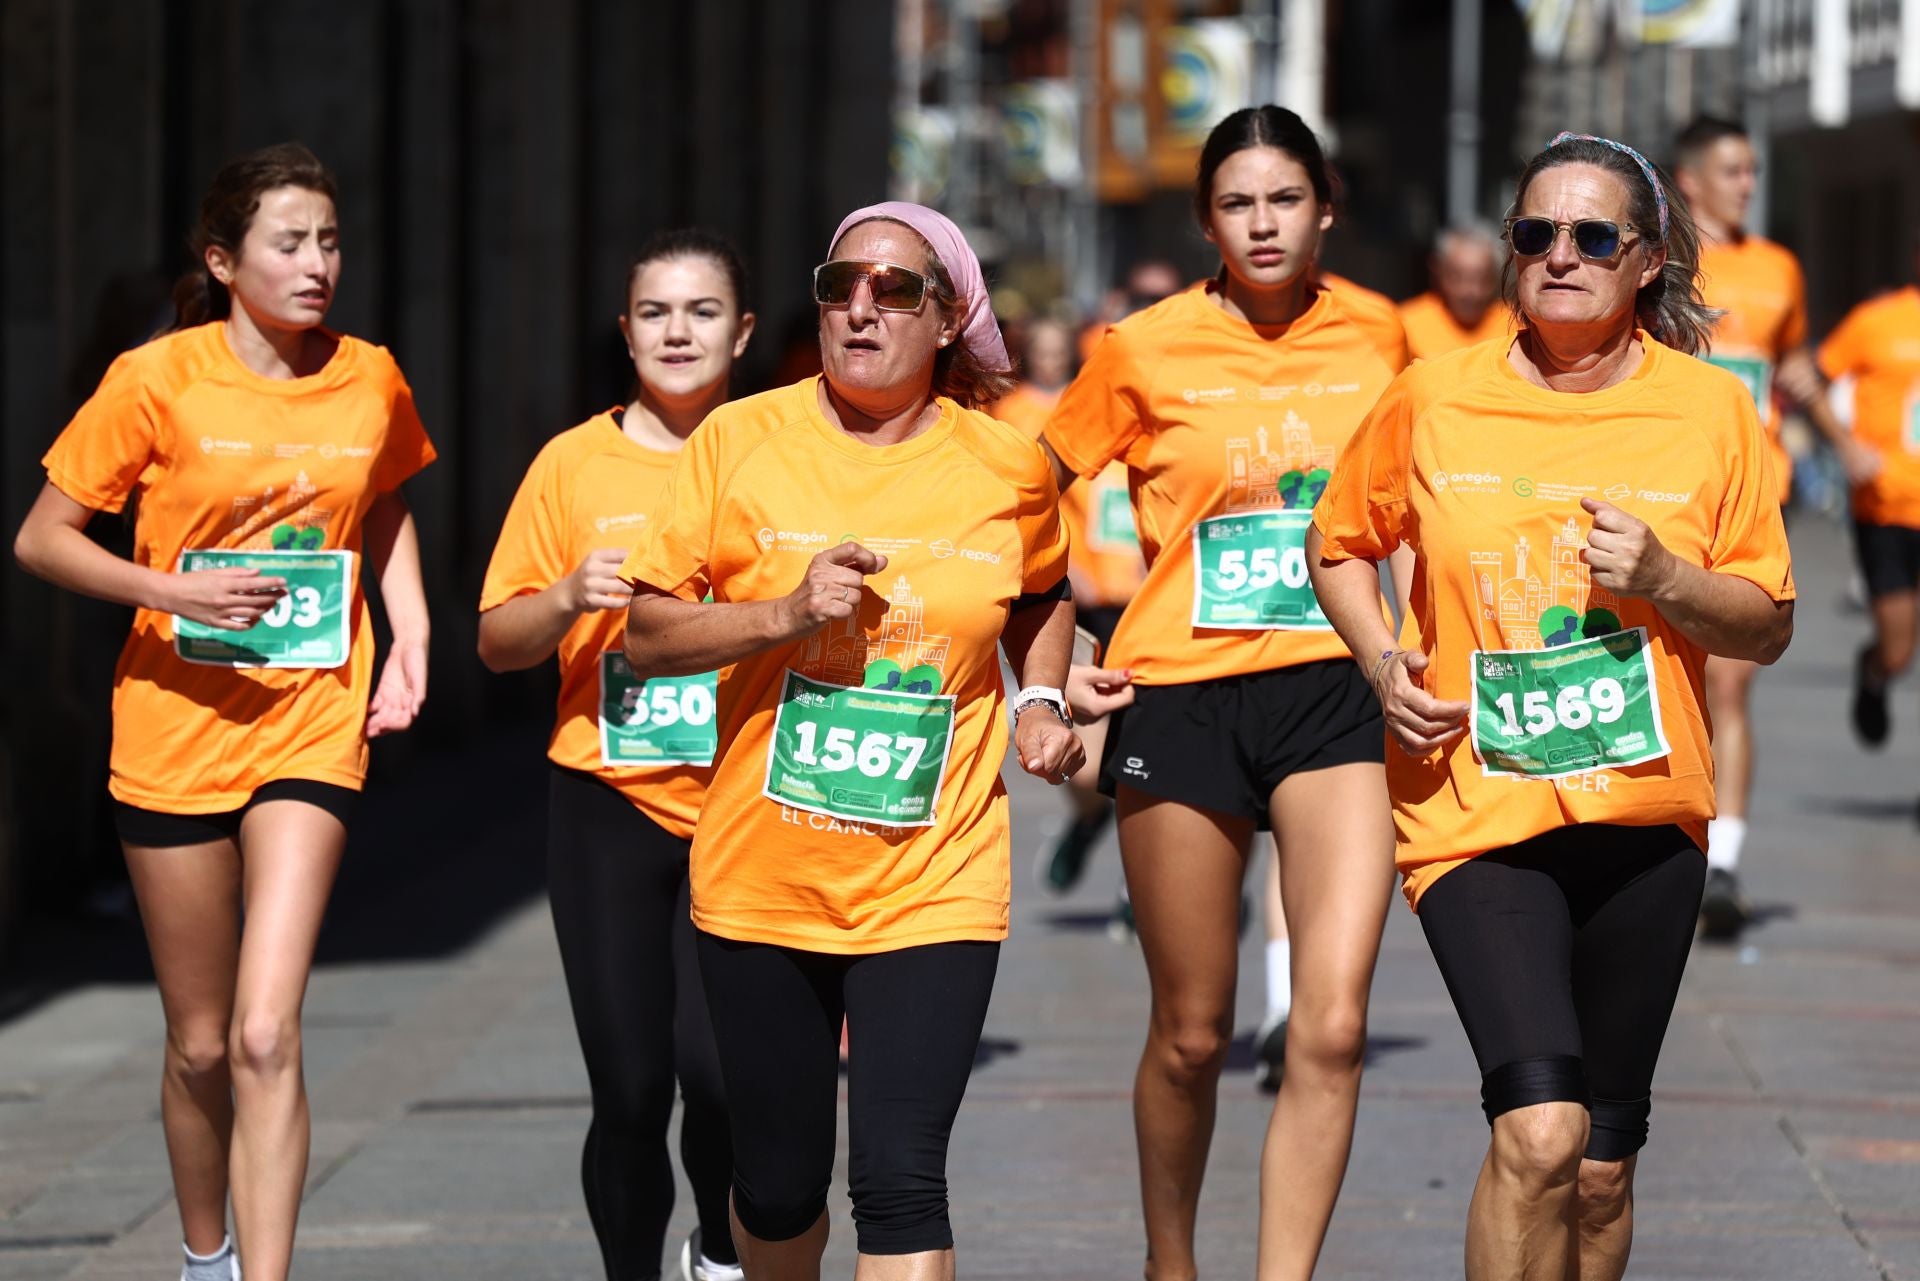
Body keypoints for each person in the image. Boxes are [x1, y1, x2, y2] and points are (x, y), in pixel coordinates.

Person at [1309, 131, 1794, 1281]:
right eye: (1535, 233)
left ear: (1648, 263)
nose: (1558, 255)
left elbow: (1766, 624)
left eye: (1591, 237)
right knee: (1538, 1131)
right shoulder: (1433, 397)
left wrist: (1670, 580)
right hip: (1477, 810)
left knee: (1602, 1165)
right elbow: (1336, 545)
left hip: (1645, 815)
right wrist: (1384, 663)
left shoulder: (1712, 414)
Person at [619, 201, 1082, 1281]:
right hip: (764, 872)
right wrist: (784, 614)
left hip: (938, 875)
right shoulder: (737, 440)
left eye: (895, 290)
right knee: (778, 1188)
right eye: (840, 286)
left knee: (902, 1177)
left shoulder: (1007, 467)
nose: (860, 307)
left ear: (949, 319)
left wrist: (1040, 703)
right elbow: (645, 634)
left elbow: (1045, 596)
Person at [11, 143, 435, 1281]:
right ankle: (206, 1256)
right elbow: (41, 537)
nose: (316, 265)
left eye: (330, 241)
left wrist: (413, 637)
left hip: (310, 717)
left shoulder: (369, 376)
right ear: (224, 258)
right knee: (199, 1044)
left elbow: (383, 502)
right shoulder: (156, 380)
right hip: (172, 722)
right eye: (289, 243)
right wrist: (167, 589)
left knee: (263, 1030)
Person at [1043, 105, 1406, 1281]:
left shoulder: (1382, 336)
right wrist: (1054, 664)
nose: (1262, 222)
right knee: (1193, 1035)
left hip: (1339, 692)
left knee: (1334, 1025)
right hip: (1184, 694)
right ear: (1208, 219)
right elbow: (1027, 496)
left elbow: (1427, 501)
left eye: (1285, 199)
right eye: (1239, 203)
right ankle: (1171, 1264)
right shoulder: (1140, 347)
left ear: (1325, 207)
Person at [477, 229, 755, 1281]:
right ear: (626, 330)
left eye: (700, 312)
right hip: (608, 796)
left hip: (746, 799)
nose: (677, 332)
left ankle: (722, 1252)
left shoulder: (780, 449)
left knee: (722, 1076)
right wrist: (561, 598)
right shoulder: (571, 462)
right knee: (634, 1089)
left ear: (742, 330)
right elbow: (498, 645)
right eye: (654, 312)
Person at [1672, 115, 1827, 937]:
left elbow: (1794, 362)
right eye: (1734, 169)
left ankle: (1723, 862)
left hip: (1754, 495)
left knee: (1731, 680)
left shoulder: (1780, 269)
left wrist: (1804, 381)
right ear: (1690, 179)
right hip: (1664, 495)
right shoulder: (1655, 257)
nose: (1748, 184)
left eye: (1754, 168)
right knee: (1675, 679)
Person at [993, 318, 1146, 897]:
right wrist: (1063, 566)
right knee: (1090, 744)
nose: (1054, 360)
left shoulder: (1151, 407)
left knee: (1155, 749)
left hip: (1148, 597)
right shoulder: (1020, 413)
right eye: (1045, 348)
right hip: (1081, 598)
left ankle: (1153, 889)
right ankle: (1090, 813)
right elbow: (1036, 502)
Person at [1814, 227, 1920, 771]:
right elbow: (1813, 376)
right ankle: (1875, 670)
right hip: (1888, 509)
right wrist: (1846, 446)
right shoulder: (1878, 321)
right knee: (1900, 650)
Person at [1399, 224, 1513, 360]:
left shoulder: (1515, 325)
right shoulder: (1404, 324)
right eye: (1457, 277)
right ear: (1438, 272)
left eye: (1481, 279)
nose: (1470, 291)